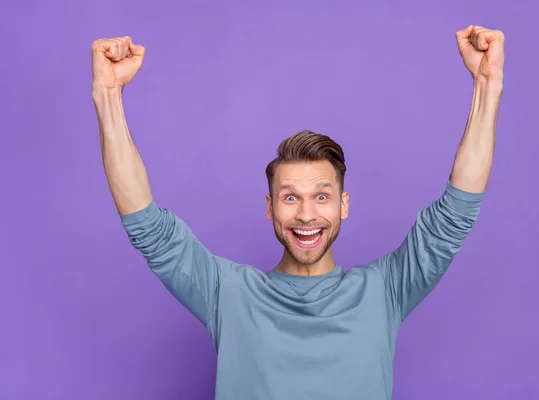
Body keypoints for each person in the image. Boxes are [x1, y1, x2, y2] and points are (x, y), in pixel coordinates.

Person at [91, 24, 504, 400]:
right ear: (270, 207)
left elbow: (453, 216)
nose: (307, 215)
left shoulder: (385, 291)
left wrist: (487, 85)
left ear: (343, 206)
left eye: (322, 196)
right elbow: (147, 224)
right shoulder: (227, 293)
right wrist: (108, 96)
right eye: (290, 197)